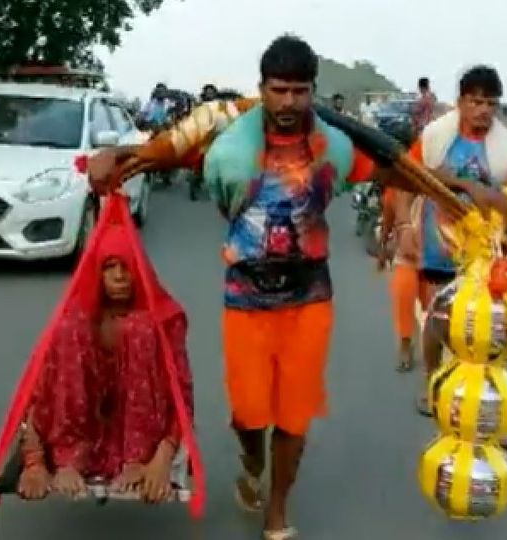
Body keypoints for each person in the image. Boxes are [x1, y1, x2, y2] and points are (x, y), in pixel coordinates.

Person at [86, 35, 417, 539]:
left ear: (313, 92)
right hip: (245, 298)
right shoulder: (230, 145)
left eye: (300, 91)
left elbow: (391, 169)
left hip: (311, 298)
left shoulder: (335, 146)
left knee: (295, 413)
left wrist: (451, 186)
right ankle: (252, 465)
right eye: (279, 90)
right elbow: (167, 155)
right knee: (248, 415)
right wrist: (117, 155)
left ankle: (277, 510)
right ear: (262, 89)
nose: (289, 102)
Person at [16, 223, 194, 502]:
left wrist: (161, 460)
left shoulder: (163, 321)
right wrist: (35, 463)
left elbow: (182, 399)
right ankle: (69, 456)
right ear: (96, 273)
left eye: (127, 266)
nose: (120, 276)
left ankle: (136, 458)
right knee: (69, 328)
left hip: (140, 441)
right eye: (110, 266)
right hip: (82, 435)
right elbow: (39, 396)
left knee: (141, 330)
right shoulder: (75, 322)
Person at [399, 66, 507, 452]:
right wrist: (406, 225)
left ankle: (489, 418)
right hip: (439, 246)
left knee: (487, 335)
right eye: (476, 101)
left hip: (485, 255)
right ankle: (433, 387)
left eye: (491, 103)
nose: (484, 110)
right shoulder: (438, 137)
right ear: (461, 102)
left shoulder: (506, 152)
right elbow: (409, 174)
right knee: (437, 322)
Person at [377, 187, 425, 371]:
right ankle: (405, 345)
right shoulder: (397, 189)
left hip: (436, 259)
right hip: (406, 256)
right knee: (403, 295)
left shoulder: (441, 186)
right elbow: (388, 218)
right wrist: (382, 248)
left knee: (434, 311)